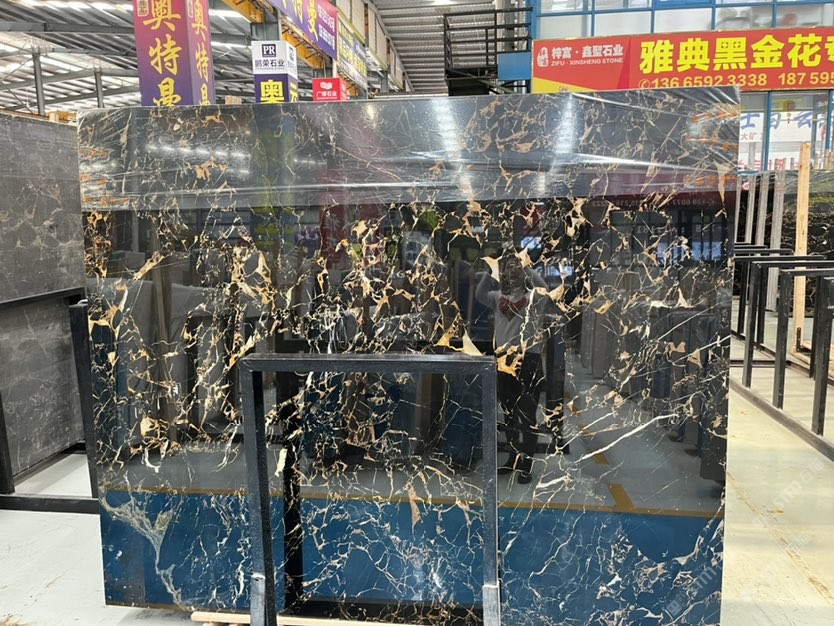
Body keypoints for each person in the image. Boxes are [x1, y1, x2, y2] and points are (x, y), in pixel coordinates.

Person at [476, 251, 564, 484]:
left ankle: (527, 465)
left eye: (516, 266)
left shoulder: (534, 299)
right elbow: (479, 294)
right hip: (504, 362)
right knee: (509, 415)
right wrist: (491, 269)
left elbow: (544, 287)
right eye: (509, 267)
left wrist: (525, 266)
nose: (512, 269)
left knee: (528, 415)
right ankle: (512, 459)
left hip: (528, 361)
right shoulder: (497, 297)